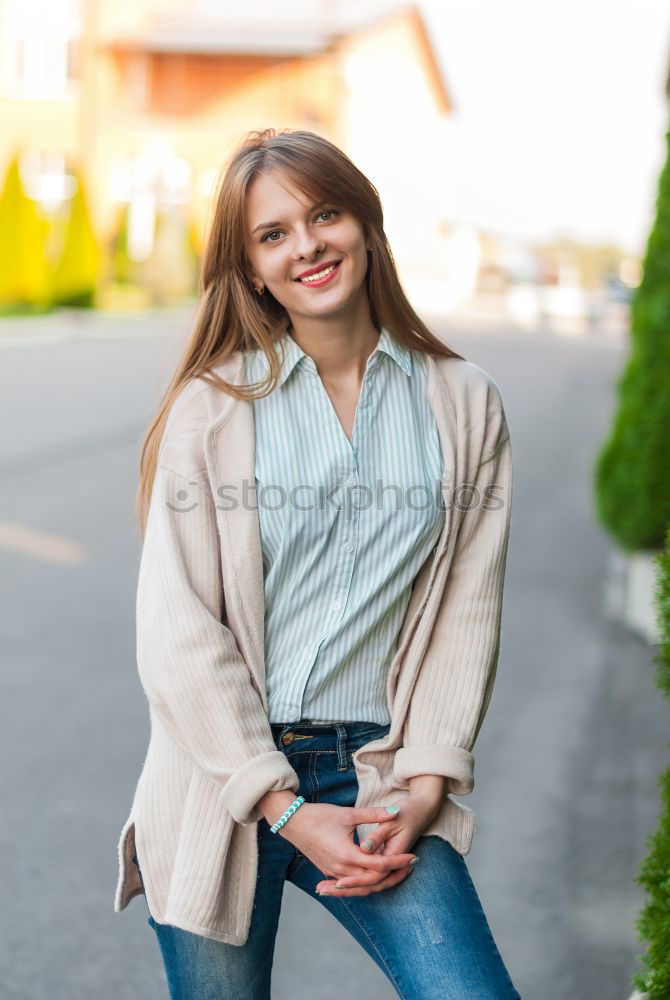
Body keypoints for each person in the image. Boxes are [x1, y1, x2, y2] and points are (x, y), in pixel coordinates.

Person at [113, 128, 520, 999]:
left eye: (324, 214)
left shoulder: (464, 403)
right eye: (273, 234)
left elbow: (465, 612)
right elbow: (176, 633)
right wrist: (282, 806)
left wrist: (426, 781)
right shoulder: (212, 410)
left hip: (375, 776)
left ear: (366, 225)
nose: (307, 245)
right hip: (220, 779)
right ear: (252, 269)